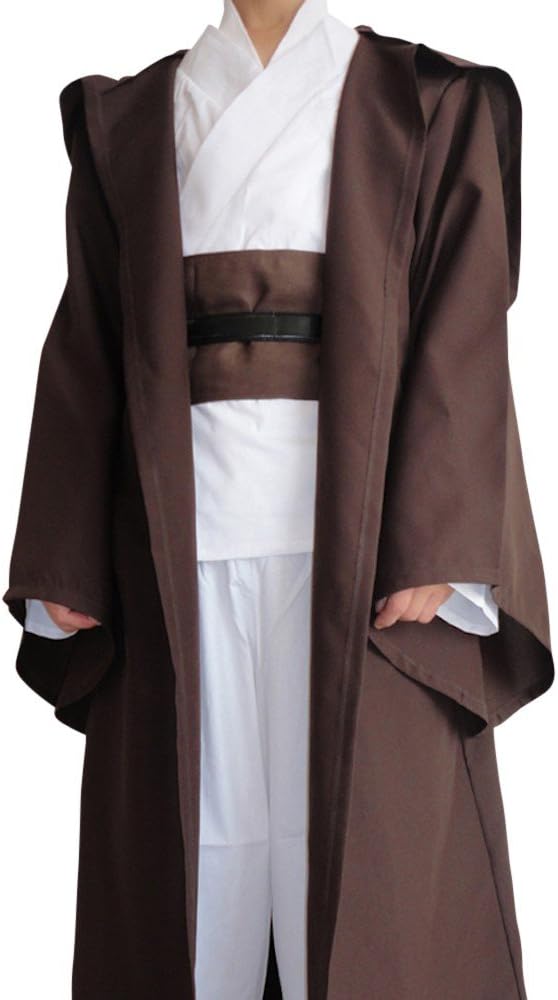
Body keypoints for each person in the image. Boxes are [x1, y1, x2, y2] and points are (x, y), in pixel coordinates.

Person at [4, 2, 554, 998]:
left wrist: (439, 536)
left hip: (360, 546)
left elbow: (464, 315)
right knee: (189, 876)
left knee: (368, 871)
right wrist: (64, 557)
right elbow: (89, 337)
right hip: (179, 546)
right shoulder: (133, 119)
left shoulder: (423, 102)